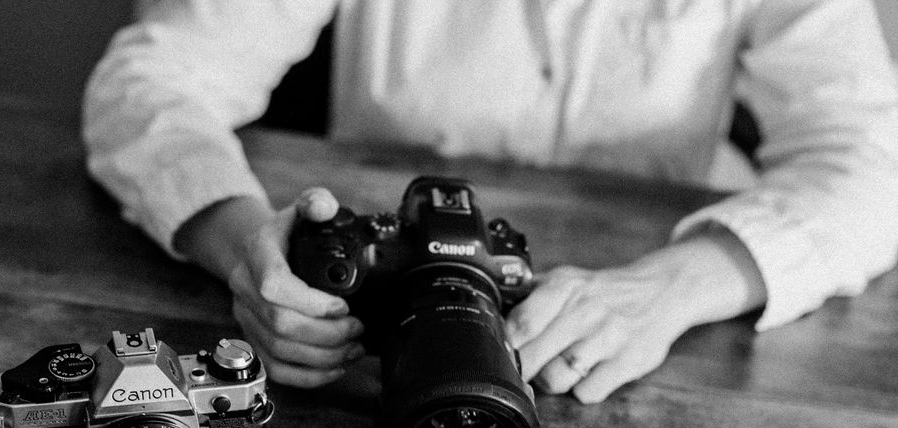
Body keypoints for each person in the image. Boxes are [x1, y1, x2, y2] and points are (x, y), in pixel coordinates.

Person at [83, 0, 898, 402]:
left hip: (636, 339)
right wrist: (245, 246)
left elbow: (877, 153)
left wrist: (672, 288)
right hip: (367, 351)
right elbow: (152, 80)